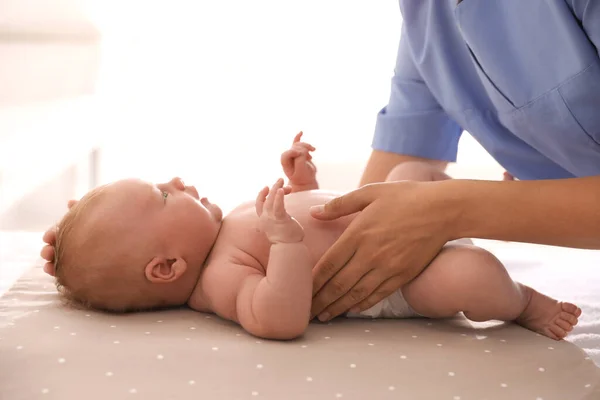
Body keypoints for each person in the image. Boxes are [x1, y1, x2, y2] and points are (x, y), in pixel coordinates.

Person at [40, 133, 580, 341]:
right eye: (163, 195)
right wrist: (285, 244)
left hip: (390, 220)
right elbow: (279, 317)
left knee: (410, 174)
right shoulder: (218, 280)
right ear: (166, 268)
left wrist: (304, 186)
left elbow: (313, 213)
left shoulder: (226, 222)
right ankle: (522, 304)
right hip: (395, 283)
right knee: (473, 275)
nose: (177, 182)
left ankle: (486, 201)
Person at [305, 0, 600, 323]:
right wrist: (339, 241)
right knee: (408, 175)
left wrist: (457, 209)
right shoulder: (426, 11)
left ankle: (525, 302)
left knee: (469, 274)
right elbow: (401, 157)